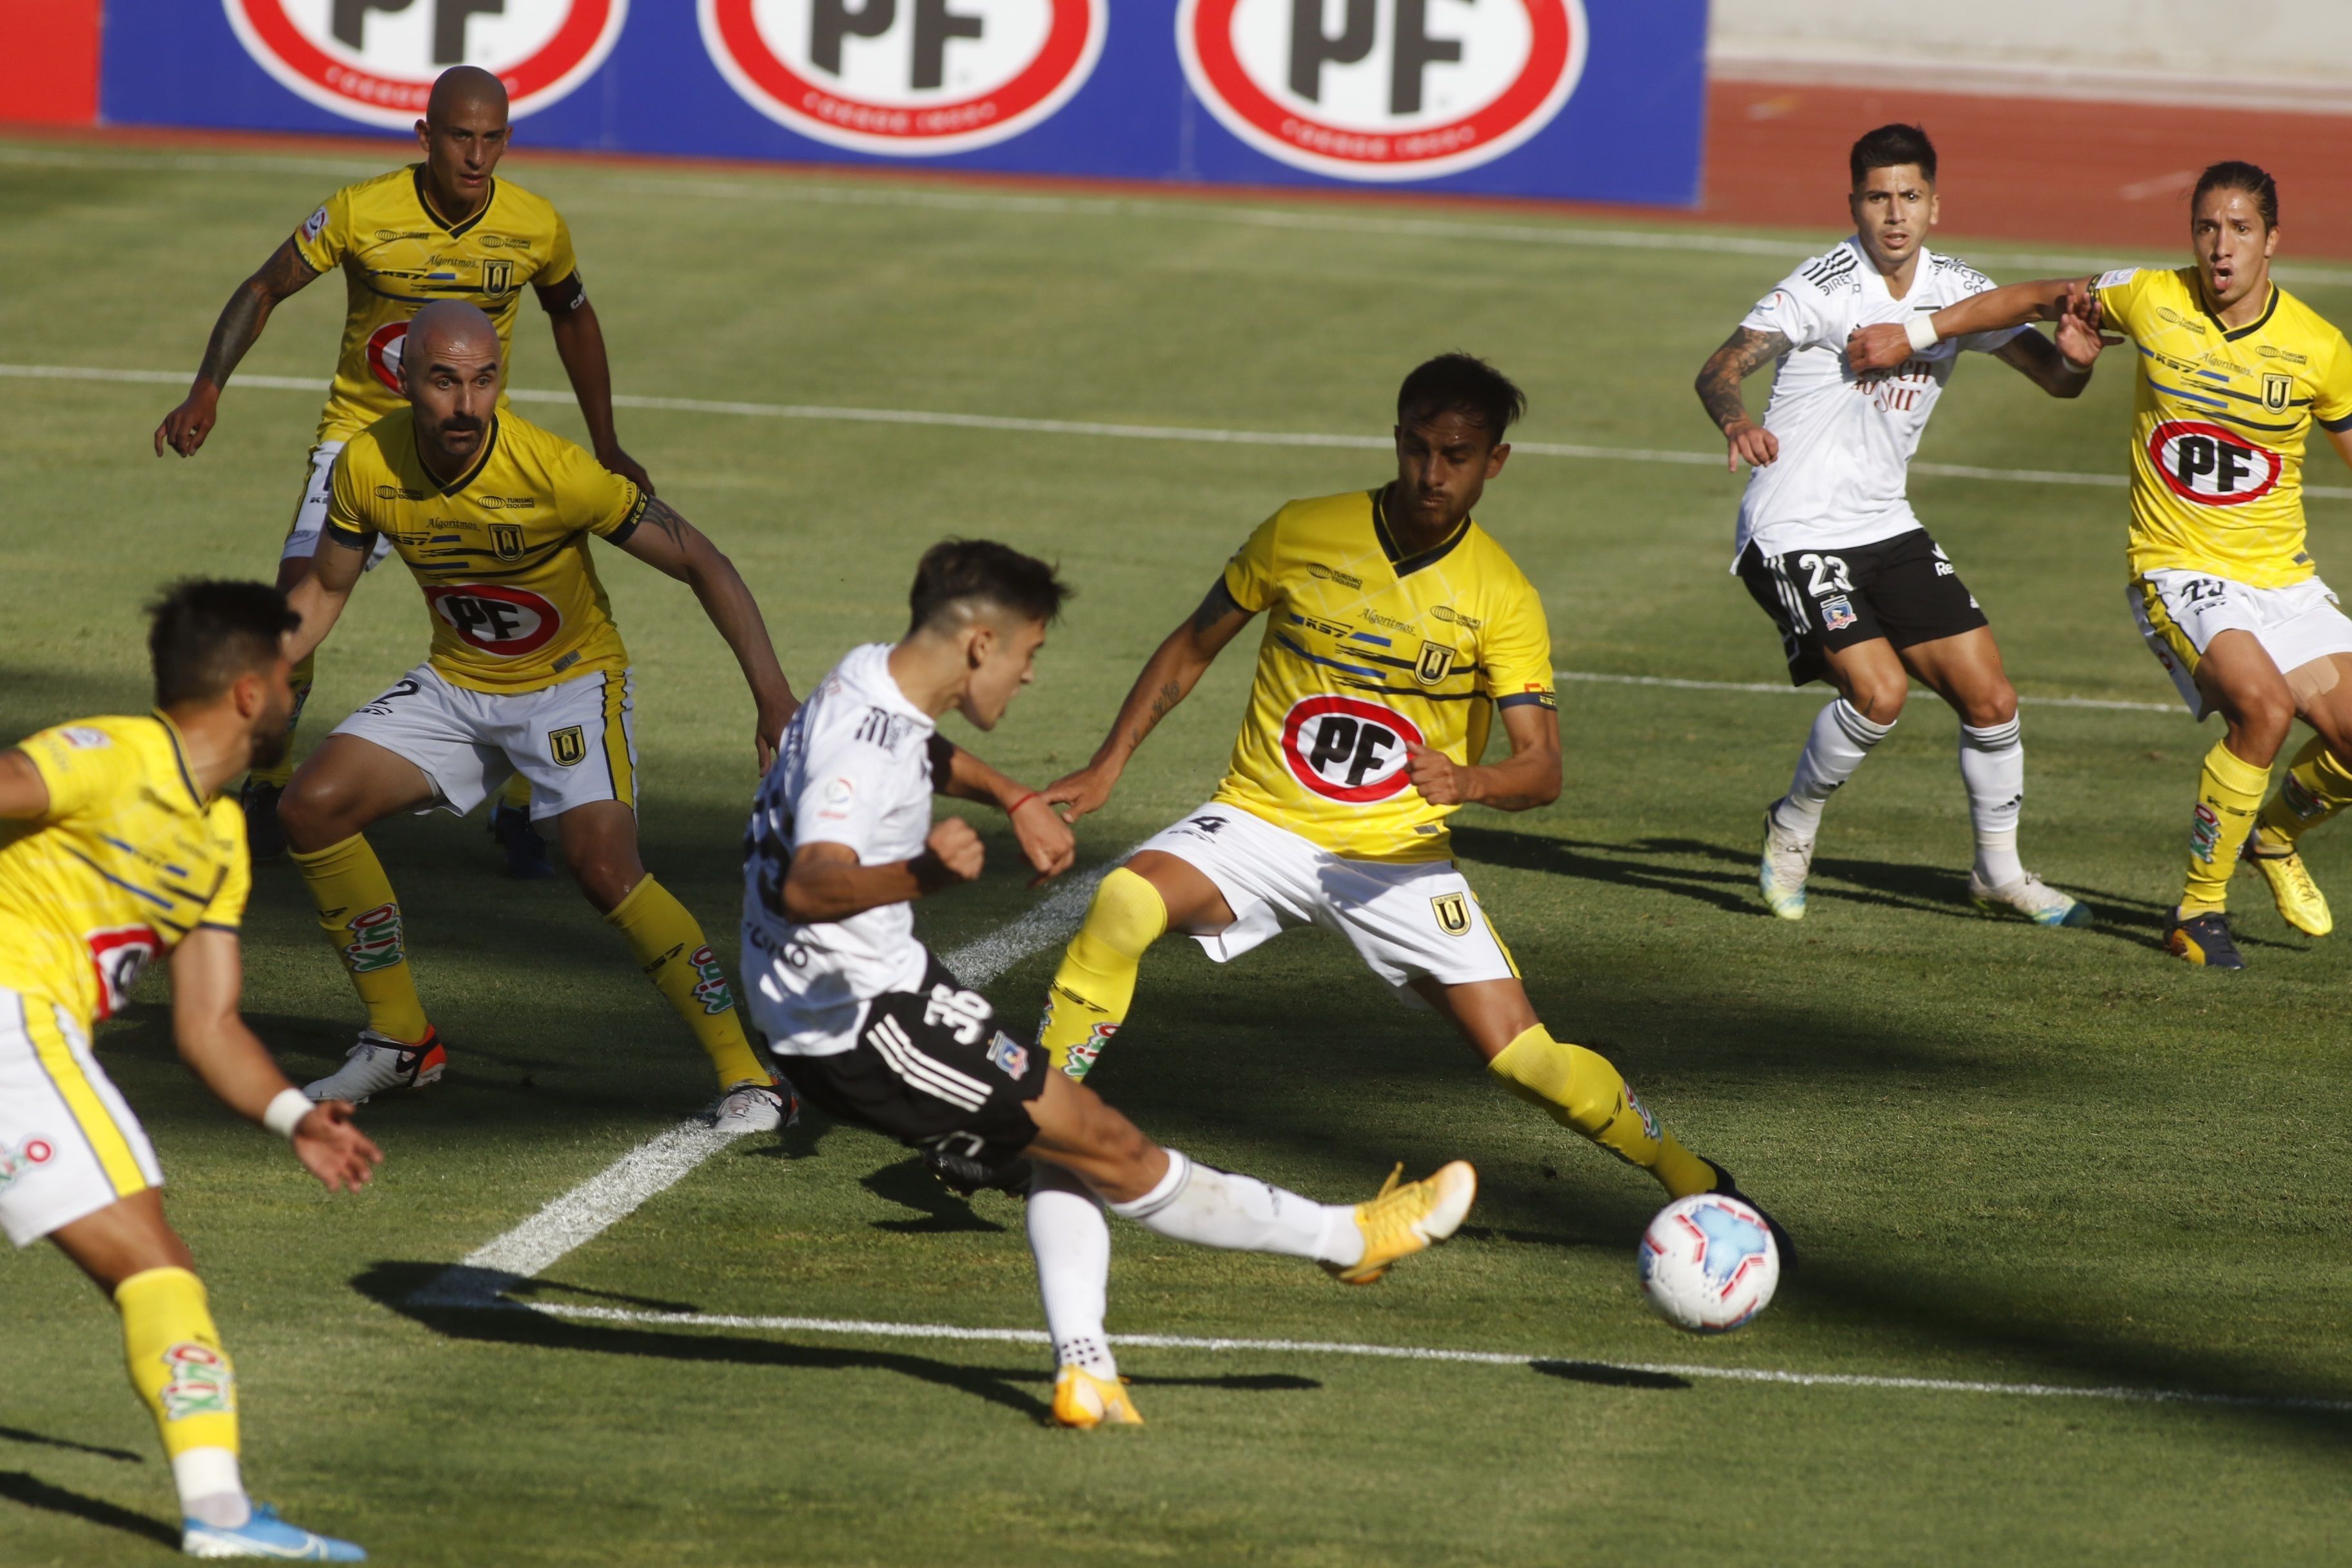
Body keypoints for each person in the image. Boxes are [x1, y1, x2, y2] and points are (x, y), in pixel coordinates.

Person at [1030, 355, 1781, 1288]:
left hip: (1398, 860)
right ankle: (1026, 1121)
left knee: (1529, 1062)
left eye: (1456, 457)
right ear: (1396, 439)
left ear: (1494, 463)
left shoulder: (1500, 596)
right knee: (1124, 903)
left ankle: (1693, 1176)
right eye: (1419, 449)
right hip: (1261, 823)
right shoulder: (1302, 531)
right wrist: (1109, 766)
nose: (1433, 474)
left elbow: (1542, 770)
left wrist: (1469, 781)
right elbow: (1193, 643)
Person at [741, 540, 1476, 1429]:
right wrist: (922, 881)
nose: (1028, 677)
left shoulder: (868, 676)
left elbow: (922, 751)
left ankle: (1085, 1371)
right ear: (981, 644)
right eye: (1028, 655)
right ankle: (1347, 1239)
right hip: (859, 1022)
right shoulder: (862, 752)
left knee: (1072, 1144)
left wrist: (1011, 795)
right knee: (1113, 1148)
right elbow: (811, 885)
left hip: (874, 991)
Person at [275, 301, 792, 1127]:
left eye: (485, 381)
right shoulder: (365, 465)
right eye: (444, 381)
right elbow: (327, 588)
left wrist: (772, 696)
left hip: (570, 682)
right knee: (311, 806)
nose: (466, 404)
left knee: (602, 866)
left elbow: (701, 557)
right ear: (403, 379)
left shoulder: (555, 470)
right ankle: (400, 1038)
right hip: (458, 682)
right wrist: (260, 678)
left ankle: (748, 1073)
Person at [1848, 161, 2352, 968]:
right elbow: (2030, 298)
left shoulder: (2321, 349)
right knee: (2259, 709)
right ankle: (2198, 909)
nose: (2221, 247)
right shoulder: (2149, 295)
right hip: (2179, 569)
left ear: (2272, 240)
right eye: (2207, 228)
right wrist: (1913, 334)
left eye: (2241, 230)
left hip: (2281, 577)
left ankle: (2276, 837)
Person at [153, 64, 649, 878]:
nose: (477, 156)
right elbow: (264, 285)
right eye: (462, 136)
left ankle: (524, 799)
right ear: (426, 136)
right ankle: (268, 787)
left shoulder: (535, 225)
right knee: (295, 605)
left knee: (524, 615)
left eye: (493, 139)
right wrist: (207, 386)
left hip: (469, 447)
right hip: (363, 445)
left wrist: (607, 439)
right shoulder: (359, 211)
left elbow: (573, 314)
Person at [0, 580, 380, 1559]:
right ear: (250, 694)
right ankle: (219, 1518)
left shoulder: (216, 838)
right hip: (12, 1024)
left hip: (35, 1035)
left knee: (153, 1263)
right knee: (155, 1265)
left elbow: (208, 1026)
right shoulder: (113, 754)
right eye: (291, 680)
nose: (299, 700)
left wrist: (297, 1114)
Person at [1694, 123, 2103, 926]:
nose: (1894, 214)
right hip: (1795, 529)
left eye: (1909, 196)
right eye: (1877, 197)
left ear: (1934, 205)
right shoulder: (1819, 286)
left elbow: (2054, 381)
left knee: (1992, 699)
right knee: (1880, 694)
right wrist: (1737, 421)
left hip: (1885, 524)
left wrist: (2079, 358)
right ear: (1853, 204)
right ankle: (1792, 825)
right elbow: (1720, 367)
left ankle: (1999, 873)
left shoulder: (1955, 289)